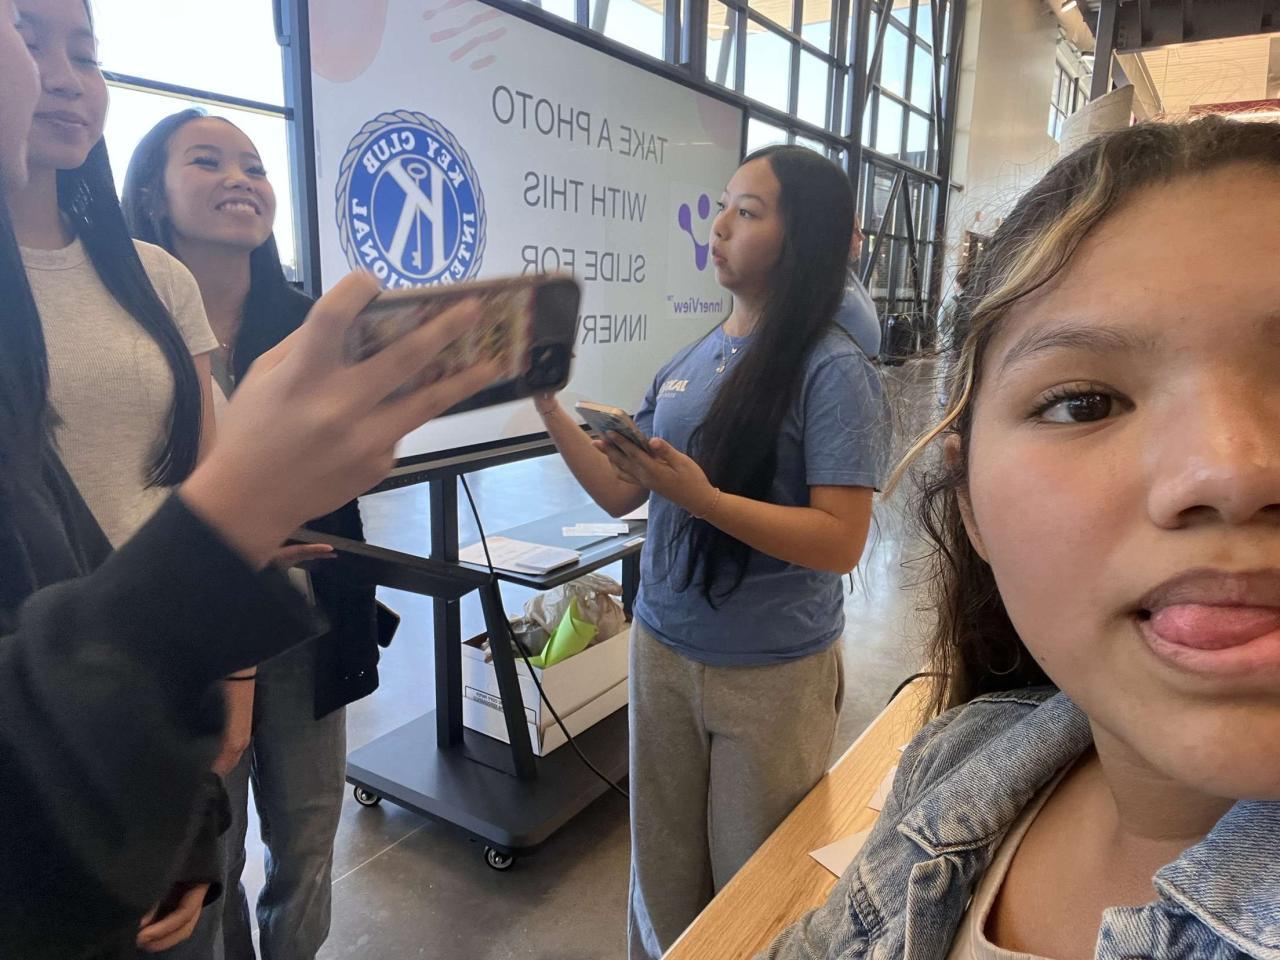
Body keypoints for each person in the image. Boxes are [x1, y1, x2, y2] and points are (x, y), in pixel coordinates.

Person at [0, 3, 500, 954]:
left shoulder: (235, 305)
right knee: (204, 874)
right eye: (26, 39)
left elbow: (205, 478)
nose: (56, 76)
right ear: (154, 189)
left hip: (266, 619)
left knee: (300, 834)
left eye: (84, 51)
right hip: (130, 649)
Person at [759, 117, 1280, 958]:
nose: (1227, 473)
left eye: (749, 210)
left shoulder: (832, 363)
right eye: (1085, 403)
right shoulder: (961, 758)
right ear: (969, 501)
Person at [534, 146, 891, 959]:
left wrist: (705, 500)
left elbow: (840, 540)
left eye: (748, 212)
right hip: (662, 649)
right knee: (660, 875)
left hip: (771, 674)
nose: (719, 226)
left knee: (754, 892)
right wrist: (547, 404)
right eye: (723, 205)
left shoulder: (834, 369)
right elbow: (620, 493)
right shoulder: (692, 360)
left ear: (803, 238)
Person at [123, 108, 395, 960]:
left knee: (308, 839)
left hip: (305, 619)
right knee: (210, 849)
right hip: (188, 635)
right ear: (153, 194)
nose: (240, 179)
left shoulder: (317, 327)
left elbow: (357, 470)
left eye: (253, 165)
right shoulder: (131, 331)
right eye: (207, 162)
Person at [833, 214, 880, 359]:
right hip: (842, 365)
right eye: (856, 231)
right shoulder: (827, 280)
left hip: (860, 364)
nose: (862, 237)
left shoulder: (845, 273)